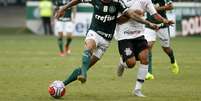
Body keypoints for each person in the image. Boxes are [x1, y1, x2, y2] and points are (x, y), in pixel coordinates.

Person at [54, 0, 158, 92]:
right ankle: (79, 76)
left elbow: (131, 14)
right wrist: (63, 8)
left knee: (86, 65)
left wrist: (147, 22)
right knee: (89, 47)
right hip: (94, 33)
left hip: (106, 41)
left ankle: (68, 80)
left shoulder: (117, 3)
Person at [115, 0, 174, 97]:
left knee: (145, 58)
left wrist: (164, 20)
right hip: (124, 36)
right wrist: (132, 14)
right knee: (131, 63)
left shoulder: (146, 1)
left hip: (139, 34)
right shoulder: (121, 1)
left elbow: (155, 15)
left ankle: (137, 90)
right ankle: (122, 62)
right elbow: (118, 20)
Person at [144, 0, 179, 80]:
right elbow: (148, 9)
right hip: (150, 25)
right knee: (148, 46)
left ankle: (173, 61)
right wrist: (163, 8)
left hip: (163, 25)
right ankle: (149, 72)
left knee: (166, 48)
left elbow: (171, 6)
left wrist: (156, 9)